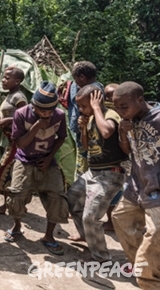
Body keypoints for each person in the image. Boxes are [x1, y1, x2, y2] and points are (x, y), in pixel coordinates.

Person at [4, 81, 69, 255]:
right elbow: (20, 143)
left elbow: (61, 137)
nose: (46, 114)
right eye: (42, 110)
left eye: (49, 111)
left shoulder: (59, 116)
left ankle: (49, 236)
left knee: (57, 197)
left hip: (47, 162)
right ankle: (17, 227)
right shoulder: (21, 114)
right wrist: (36, 126)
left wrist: (49, 158)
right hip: (24, 160)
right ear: (33, 106)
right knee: (17, 194)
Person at [66, 84, 128, 262]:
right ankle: (87, 235)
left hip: (110, 174)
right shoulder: (93, 118)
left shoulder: (109, 115)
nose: (80, 109)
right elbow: (87, 147)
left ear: (96, 101)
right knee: (72, 199)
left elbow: (107, 132)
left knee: (91, 216)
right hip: (92, 172)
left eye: (83, 105)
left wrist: (95, 109)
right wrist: (84, 128)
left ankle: (102, 257)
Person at [111, 81, 160, 289]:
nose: (121, 112)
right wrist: (123, 131)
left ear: (140, 100)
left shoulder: (157, 118)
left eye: (124, 106)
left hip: (156, 189)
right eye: (117, 108)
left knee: (154, 235)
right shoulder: (128, 121)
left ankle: (150, 283)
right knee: (120, 218)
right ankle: (143, 268)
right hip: (136, 186)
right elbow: (127, 150)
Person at [0, 66, 27, 215]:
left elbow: (27, 117)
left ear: (17, 81)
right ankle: (8, 205)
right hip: (10, 141)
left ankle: (11, 206)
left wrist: (9, 120)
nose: (3, 80)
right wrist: (1, 119)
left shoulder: (19, 97)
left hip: (18, 143)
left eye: (7, 78)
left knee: (5, 172)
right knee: (7, 172)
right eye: (3, 77)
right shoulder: (10, 95)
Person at [66, 61, 104, 173]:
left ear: (82, 77)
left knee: (84, 168)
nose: (75, 83)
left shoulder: (91, 92)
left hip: (89, 134)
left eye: (76, 79)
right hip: (87, 133)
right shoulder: (99, 87)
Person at [103, 82, 122, 231]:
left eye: (112, 95)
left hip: (119, 158)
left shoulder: (121, 112)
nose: (108, 98)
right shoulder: (106, 112)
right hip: (107, 156)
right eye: (107, 95)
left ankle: (112, 222)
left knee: (115, 194)